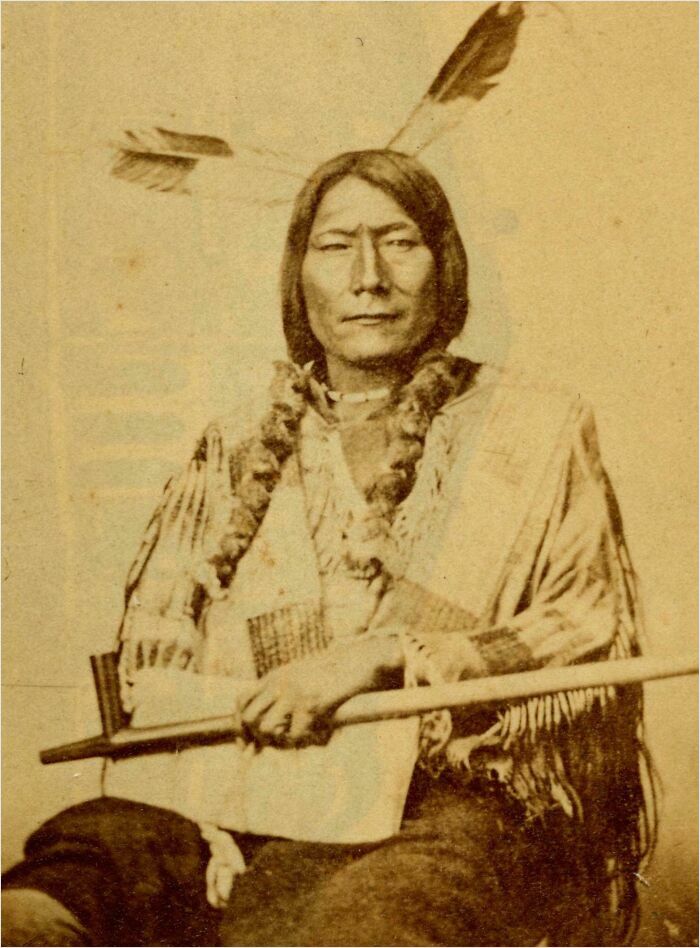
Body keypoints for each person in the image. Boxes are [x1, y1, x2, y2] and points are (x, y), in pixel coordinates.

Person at [3, 150, 654, 947]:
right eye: (337, 245)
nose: (368, 277)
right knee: (48, 900)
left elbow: (585, 622)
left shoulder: (536, 425)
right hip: (229, 793)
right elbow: (160, 650)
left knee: (358, 921)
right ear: (299, 273)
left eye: (399, 242)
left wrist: (383, 657)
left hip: (438, 801)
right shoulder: (236, 443)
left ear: (445, 263)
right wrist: (204, 763)